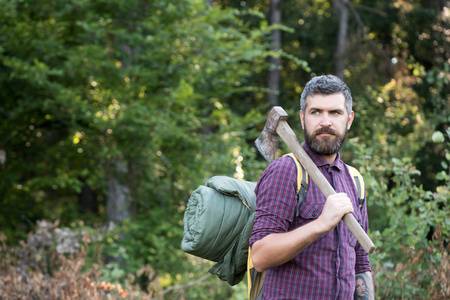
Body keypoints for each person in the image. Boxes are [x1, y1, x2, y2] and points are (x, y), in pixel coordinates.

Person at [249, 75, 374, 299]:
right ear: (302, 118)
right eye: (316, 112)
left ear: (349, 119)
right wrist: (321, 224)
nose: (325, 121)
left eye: (335, 112)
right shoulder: (286, 172)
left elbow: (360, 263)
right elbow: (260, 256)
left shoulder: (355, 181)